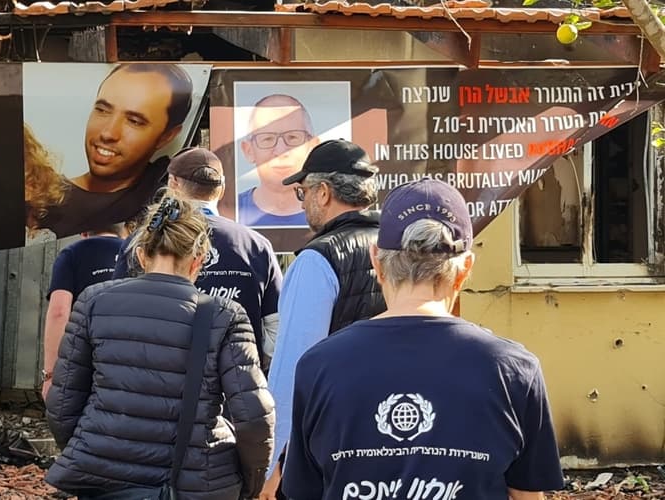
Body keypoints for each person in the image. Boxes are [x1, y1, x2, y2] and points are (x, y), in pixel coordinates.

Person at [282, 178, 565, 499]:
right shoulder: (514, 369)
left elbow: (304, 492)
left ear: (376, 261)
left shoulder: (318, 366)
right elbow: (527, 495)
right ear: (466, 268)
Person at [45, 192, 275, 500]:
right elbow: (253, 417)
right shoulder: (226, 315)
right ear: (198, 260)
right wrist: (251, 480)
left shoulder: (93, 301)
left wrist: (90, 452)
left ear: (141, 256)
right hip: (195, 483)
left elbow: (62, 405)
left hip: (106, 479)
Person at [261, 139, 387, 500]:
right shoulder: (397, 250)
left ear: (324, 192)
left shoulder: (318, 259)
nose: (302, 204)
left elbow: (294, 368)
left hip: (330, 440)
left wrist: (273, 463)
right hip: (392, 430)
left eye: (302, 193)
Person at [114, 147, 284, 370]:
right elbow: (275, 333)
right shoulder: (256, 245)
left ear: (173, 184)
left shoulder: (143, 240)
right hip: (235, 378)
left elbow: (117, 312)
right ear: (221, 189)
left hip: (158, 374)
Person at [33, 63, 194, 238]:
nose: (108, 133)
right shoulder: (41, 200)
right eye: (102, 110)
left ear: (167, 136)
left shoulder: (165, 199)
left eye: (134, 121)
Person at [40, 223, 127, 400]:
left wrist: (50, 375)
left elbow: (59, 312)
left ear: (83, 231)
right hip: (126, 358)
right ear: (123, 229)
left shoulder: (72, 253)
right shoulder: (139, 254)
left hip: (82, 357)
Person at [238, 94, 320, 227]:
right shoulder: (231, 211)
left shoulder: (331, 212)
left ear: (312, 146)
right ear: (248, 150)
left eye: (292, 137)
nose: (281, 151)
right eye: (267, 139)